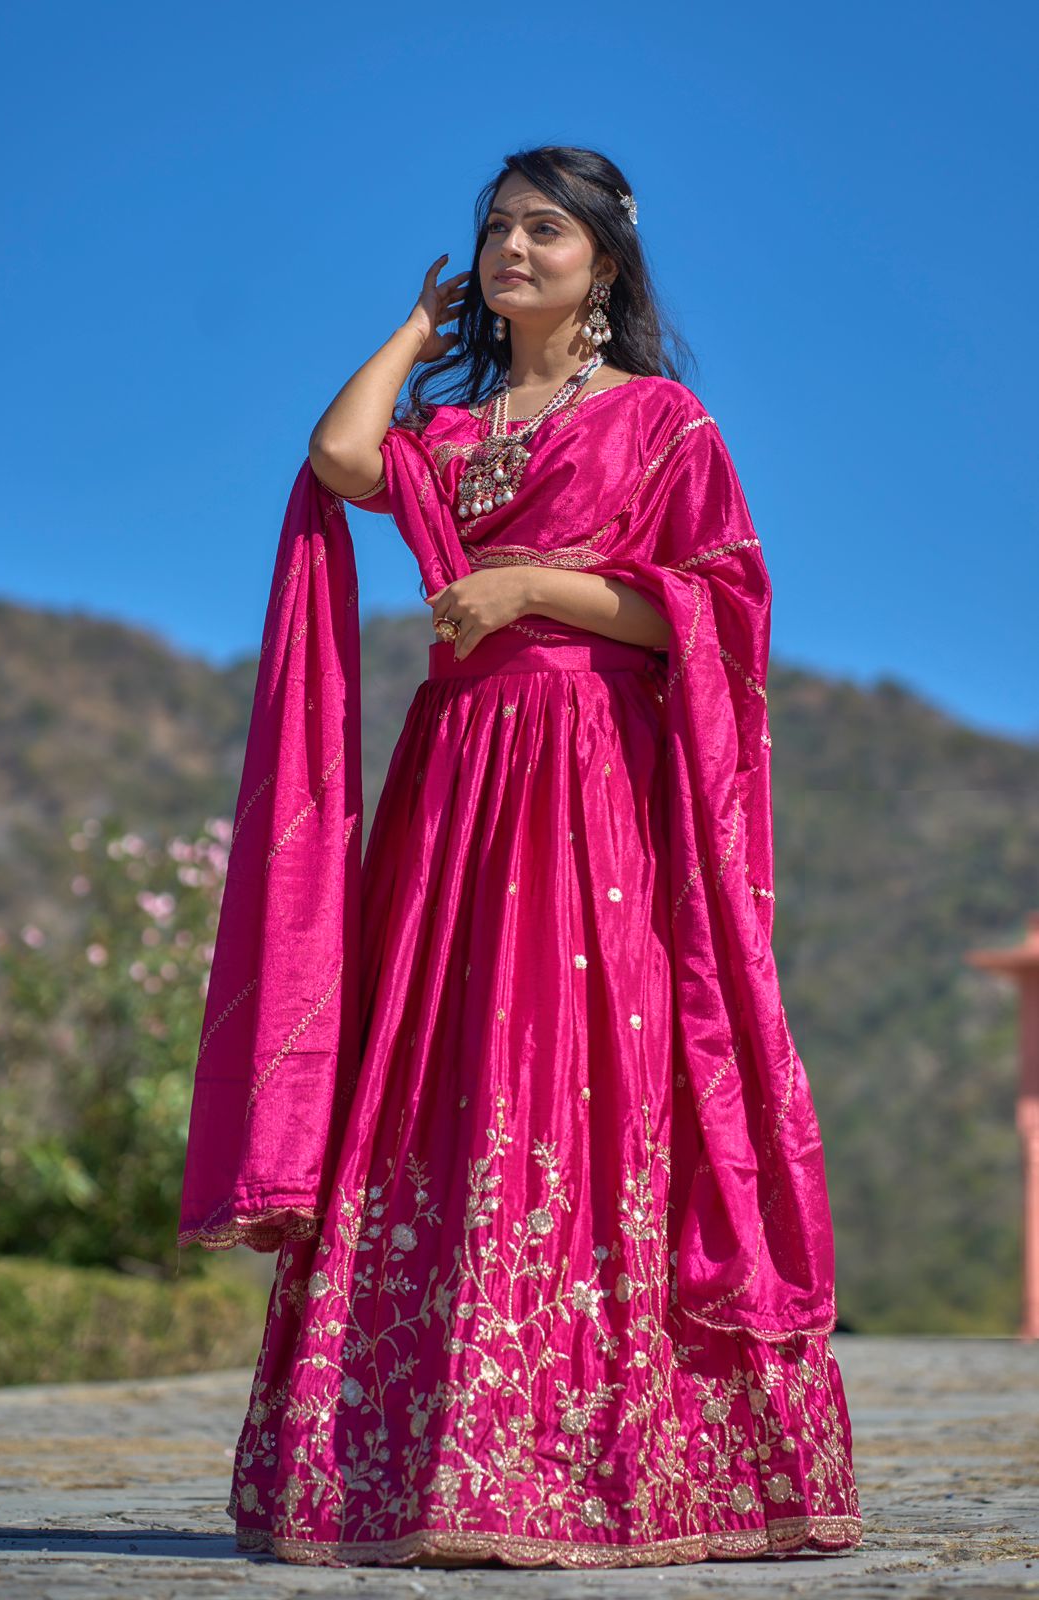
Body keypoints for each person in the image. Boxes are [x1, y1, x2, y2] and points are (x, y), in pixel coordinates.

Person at [176, 144, 864, 1570]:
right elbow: (342, 457)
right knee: (436, 1063)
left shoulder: (662, 425)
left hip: (594, 775)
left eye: (544, 232)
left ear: (603, 265)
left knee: (584, 1066)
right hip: (459, 777)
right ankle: (421, 1461)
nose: (514, 250)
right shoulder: (458, 428)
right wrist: (420, 330)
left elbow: (723, 606)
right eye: (496, 230)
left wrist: (539, 587)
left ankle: (615, 1469)